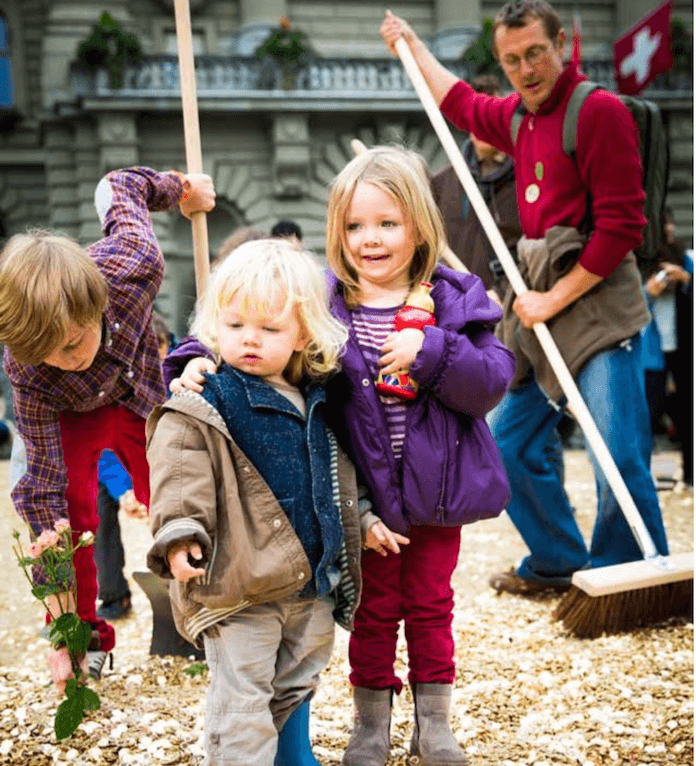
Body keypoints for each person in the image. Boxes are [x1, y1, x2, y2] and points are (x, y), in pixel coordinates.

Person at [167, 146, 515, 765]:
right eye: (355, 226)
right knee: (374, 612)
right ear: (337, 231)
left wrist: (431, 351)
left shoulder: (455, 297)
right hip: (360, 497)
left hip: (436, 496)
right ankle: (370, 724)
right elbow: (248, 323)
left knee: (432, 606)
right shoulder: (322, 302)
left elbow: (492, 379)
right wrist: (191, 359)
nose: (370, 239)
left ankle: (434, 723)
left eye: (387, 223)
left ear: (418, 227)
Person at [380, 1, 670, 597]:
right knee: (507, 445)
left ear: (563, 44)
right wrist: (412, 44)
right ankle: (560, 561)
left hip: (596, 309)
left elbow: (622, 228)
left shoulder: (600, 112)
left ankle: (629, 573)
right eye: (511, 60)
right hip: (539, 312)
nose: (525, 69)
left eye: (535, 52)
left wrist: (551, 298)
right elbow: (458, 102)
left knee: (617, 451)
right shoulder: (515, 118)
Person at [146, 238, 366, 766]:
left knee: (294, 686)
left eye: (270, 330)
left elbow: (337, 478)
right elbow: (181, 469)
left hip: (309, 584)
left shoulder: (318, 398)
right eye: (236, 325)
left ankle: (287, 756)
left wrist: (365, 520)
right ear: (215, 325)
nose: (250, 340)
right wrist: (179, 531)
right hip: (239, 587)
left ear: (302, 335)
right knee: (242, 702)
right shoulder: (208, 397)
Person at [0, 167, 215, 692]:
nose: (61, 360)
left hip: (136, 396)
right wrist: (58, 619)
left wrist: (181, 189)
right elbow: (43, 486)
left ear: (95, 304)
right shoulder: (30, 368)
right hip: (69, 416)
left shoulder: (134, 264)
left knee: (178, 489)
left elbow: (117, 185)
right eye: (44, 353)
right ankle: (83, 642)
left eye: (71, 344)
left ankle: (213, 613)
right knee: (61, 518)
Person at [431, 73, 521, 301]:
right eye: (478, 118)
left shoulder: (529, 178)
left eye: (491, 118)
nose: (483, 126)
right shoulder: (441, 183)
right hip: (459, 311)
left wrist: (503, 293)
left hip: (516, 309)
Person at [642, 208, 693, 483]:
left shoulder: (686, 260)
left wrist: (687, 281)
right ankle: (659, 477)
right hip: (651, 354)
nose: (670, 230)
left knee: (686, 414)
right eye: (665, 225)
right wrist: (648, 292)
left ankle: (690, 476)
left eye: (672, 224)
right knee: (651, 417)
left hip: (683, 351)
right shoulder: (639, 266)